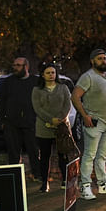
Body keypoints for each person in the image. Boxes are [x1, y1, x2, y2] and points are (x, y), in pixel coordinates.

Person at [71, 48, 106, 200]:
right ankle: (85, 186)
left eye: (105, 58)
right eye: (100, 58)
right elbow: (75, 97)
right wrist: (85, 116)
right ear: (92, 61)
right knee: (89, 155)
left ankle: (103, 184)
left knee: (102, 156)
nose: (103, 61)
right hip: (94, 122)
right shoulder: (87, 77)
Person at [0, 57, 41, 179]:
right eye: (14, 65)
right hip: (12, 123)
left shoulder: (35, 81)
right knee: (13, 152)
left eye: (18, 65)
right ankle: (14, 176)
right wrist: (2, 120)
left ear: (26, 67)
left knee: (33, 150)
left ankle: (37, 175)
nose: (15, 68)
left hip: (30, 122)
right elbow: (2, 101)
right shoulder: (8, 82)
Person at [31, 63, 71, 193]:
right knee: (45, 156)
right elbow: (37, 108)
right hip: (43, 127)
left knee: (63, 155)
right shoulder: (37, 90)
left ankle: (65, 180)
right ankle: (44, 182)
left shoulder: (63, 87)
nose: (51, 75)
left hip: (61, 127)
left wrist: (59, 120)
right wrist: (50, 120)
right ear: (43, 75)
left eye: (53, 72)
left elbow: (67, 105)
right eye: (48, 73)